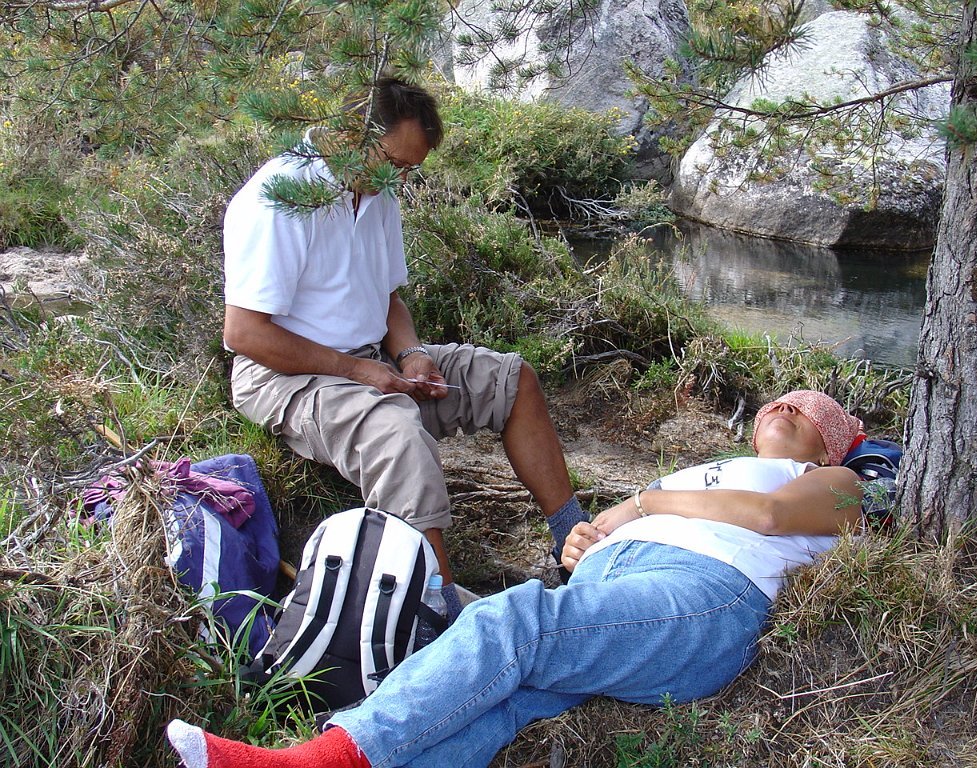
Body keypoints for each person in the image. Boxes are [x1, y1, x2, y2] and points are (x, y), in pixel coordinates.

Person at [166, 390, 869, 768]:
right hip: (624, 582)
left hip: (707, 593)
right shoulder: (704, 473)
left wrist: (648, 503)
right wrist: (589, 543)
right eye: (779, 401)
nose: (786, 406)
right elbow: (603, 532)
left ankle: (317, 761)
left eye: (808, 409)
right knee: (505, 702)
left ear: (831, 443)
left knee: (516, 621)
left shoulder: (833, 479)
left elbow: (770, 517)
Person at [221, 76, 587, 611]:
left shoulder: (377, 191)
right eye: (394, 164)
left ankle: (573, 542)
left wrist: (411, 355)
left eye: (409, 170)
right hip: (283, 376)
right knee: (396, 431)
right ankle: (439, 609)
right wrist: (358, 372)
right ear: (350, 134)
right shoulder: (279, 197)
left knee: (511, 381)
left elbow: (388, 298)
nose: (399, 180)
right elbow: (244, 333)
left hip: (368, 359)